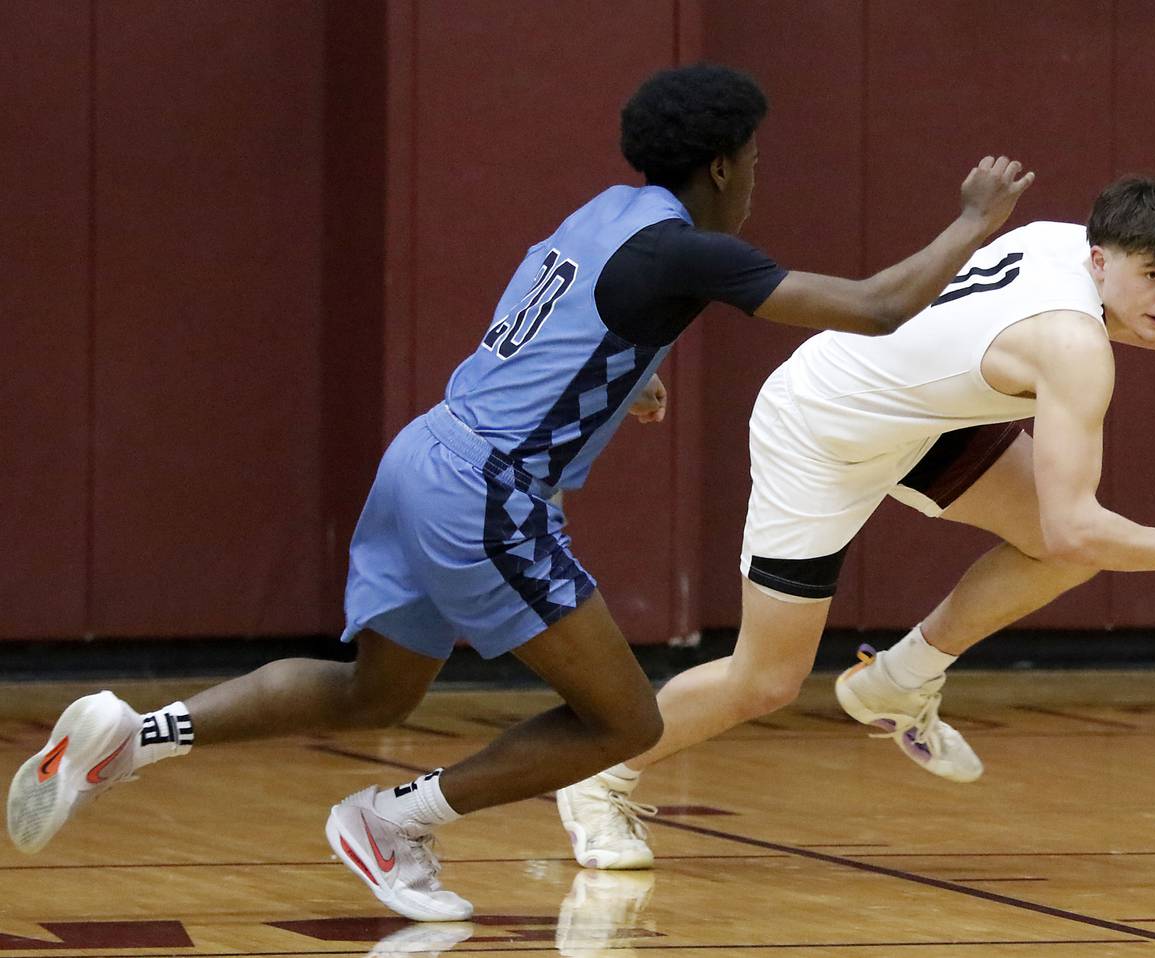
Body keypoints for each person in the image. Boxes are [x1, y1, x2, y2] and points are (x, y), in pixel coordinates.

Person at [5, 63, 1033, 922]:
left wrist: (630, 372)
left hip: (424, 454)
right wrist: (973, 222)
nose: (757, 177)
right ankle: (390, 820)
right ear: (722, 163)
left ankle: (128, 736)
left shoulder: (607, 214)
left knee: (378, 687)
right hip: (486, 490)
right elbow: (873, 306)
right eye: (755, 159)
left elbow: (565, 320)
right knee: (624, 722)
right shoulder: (684, 244)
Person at [557, 175, 1155, 869]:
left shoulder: (1061, 242)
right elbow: (1075, 517)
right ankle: (598, 776)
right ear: (1101, 258)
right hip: (822, 432)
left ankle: (900, 681)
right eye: (1154, 276)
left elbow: (1112, 320)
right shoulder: (1075, 351)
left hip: (922, 416)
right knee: (767, 679)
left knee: (1068, 551)